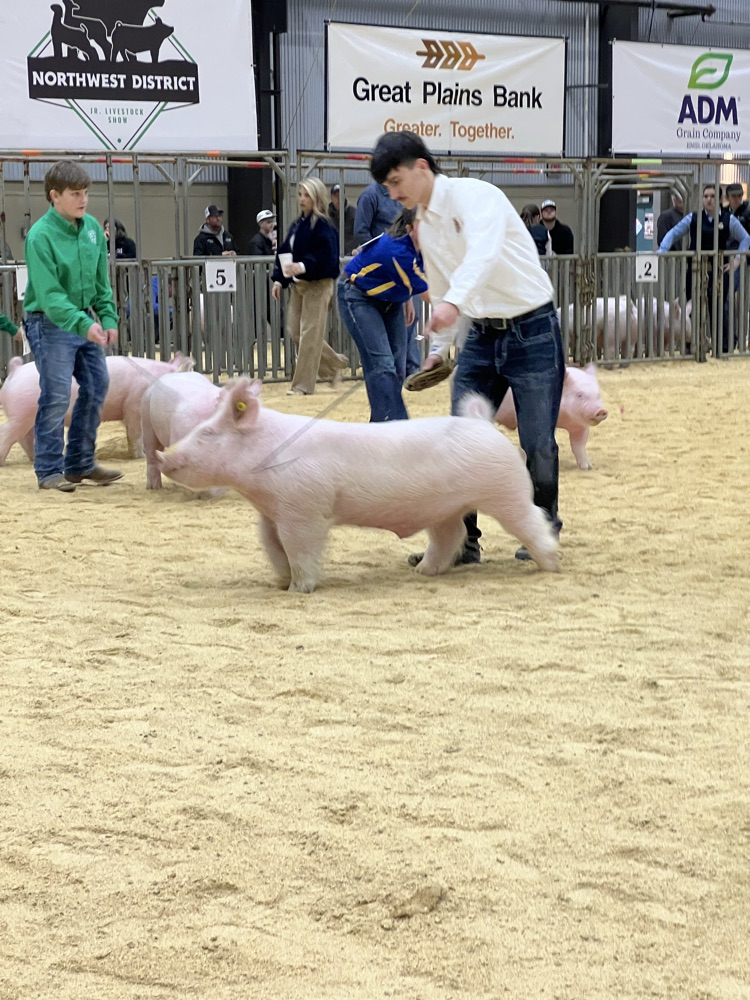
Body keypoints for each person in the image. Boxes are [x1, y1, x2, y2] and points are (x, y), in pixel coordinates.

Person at [369, 132, 564, 565]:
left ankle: (542, 529)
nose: (394, 193)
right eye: (388, 188)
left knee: (537, 441)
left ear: (422, 167)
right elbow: (437, 286)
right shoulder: (423, 223)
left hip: (531, 327)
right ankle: (462, 542)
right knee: (459, 441)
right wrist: (438, 348)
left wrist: (454, 302)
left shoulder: (477, 196)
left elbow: (483, 253)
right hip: (479, 334)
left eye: (397, 181)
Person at [23, 160, 121, 492]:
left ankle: (80, 462)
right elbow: (49, 296)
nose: (83, 200)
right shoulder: (40, 236)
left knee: (96, 386)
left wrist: (108, 318)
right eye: (75, 193)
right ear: (54, 196)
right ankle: (49, 469)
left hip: (82, 319)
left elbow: (101, 284)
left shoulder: (92, 228)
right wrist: (85, 324)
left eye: (86, 193)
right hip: (49, 322)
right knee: (56, 394)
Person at [338, 209, 428, 422]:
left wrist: (405, 298)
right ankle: (396, 426)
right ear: (410, 229)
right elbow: (431, 294)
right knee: (383, 365)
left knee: (396, 367)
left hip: (390, 300)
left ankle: (381, 425)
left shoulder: (420, 247)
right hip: (358, 294)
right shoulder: (398, 251)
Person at [271, 178, 347, 396]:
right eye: (300, 195)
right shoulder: (297, 225)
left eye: (306, 195)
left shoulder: (324, 227)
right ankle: (334, 365)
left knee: (309, 333)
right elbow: (285, 252)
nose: (302, 199)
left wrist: (303, 265)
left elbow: (327, 257)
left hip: (319, 285)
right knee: (295, 331)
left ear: (316, 198)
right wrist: (279, 279)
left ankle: (302, 385)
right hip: (299, 285)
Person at [659, 184, 750, 352]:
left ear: (720, 199)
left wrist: (738, 259)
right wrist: (662, 249)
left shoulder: (728, 219)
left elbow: (746, 238)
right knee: (692, 309)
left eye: (713, 196)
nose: (709, 199)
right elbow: (674, 232)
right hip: (695, 270)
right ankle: (692, 346)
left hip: (718, 271)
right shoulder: (693, 218)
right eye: (706, 196)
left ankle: (720, 348)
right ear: (702, 199)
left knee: (718, 309)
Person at [328, 184, 357, 255]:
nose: (338, 199)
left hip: (351, 256)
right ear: (331, 198)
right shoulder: (327, 216)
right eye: (335, 196)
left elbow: (359, 234)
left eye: (340, 196)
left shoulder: (354, 214)